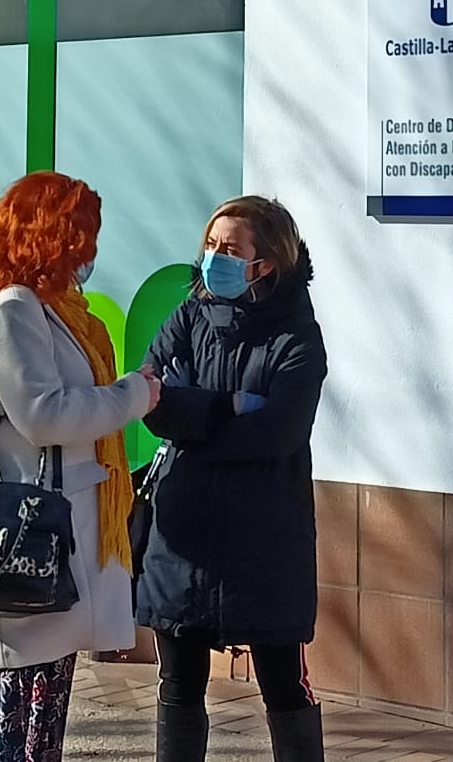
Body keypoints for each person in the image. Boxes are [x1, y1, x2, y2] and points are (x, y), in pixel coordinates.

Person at [0, 171, 163, 762]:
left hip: (51, 537)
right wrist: (132, 397)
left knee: (35, 720)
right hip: (29, 537)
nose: (88, 253)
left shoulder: (50, 311)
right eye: (80, 236)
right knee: (14, 724)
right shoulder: (15, 309)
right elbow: (43, 415)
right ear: (50, 235)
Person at [136, 196, 329, 762]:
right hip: (182, 536)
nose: (214, 257)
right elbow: (153, 400)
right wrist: (231, 406)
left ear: (263, 263)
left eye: (230, 249)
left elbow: (277, 435)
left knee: (283, 684)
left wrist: (194, 417)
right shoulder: (188, 315)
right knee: (178, 687)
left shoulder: (297, 338)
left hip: (265, 539)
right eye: (211, 245)